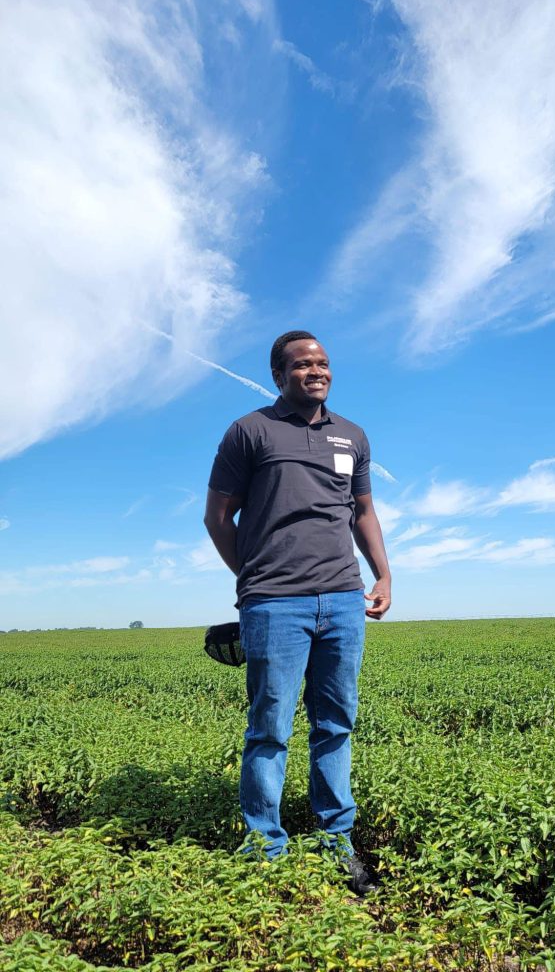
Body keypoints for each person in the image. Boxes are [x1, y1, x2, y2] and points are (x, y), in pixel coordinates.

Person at [204, 331, 391, 894]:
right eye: (303, 364)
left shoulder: (352, 436)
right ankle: (265, 848)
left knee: (336, 724)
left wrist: (383, 574)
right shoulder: (250, 431)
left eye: (323, 363)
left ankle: (338, 842)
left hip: (343, 599)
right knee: (270, 728)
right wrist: (254, 579)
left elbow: (363, 512)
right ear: (278, 374)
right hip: (274, 602)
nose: (316, 371)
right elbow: (218, 517)